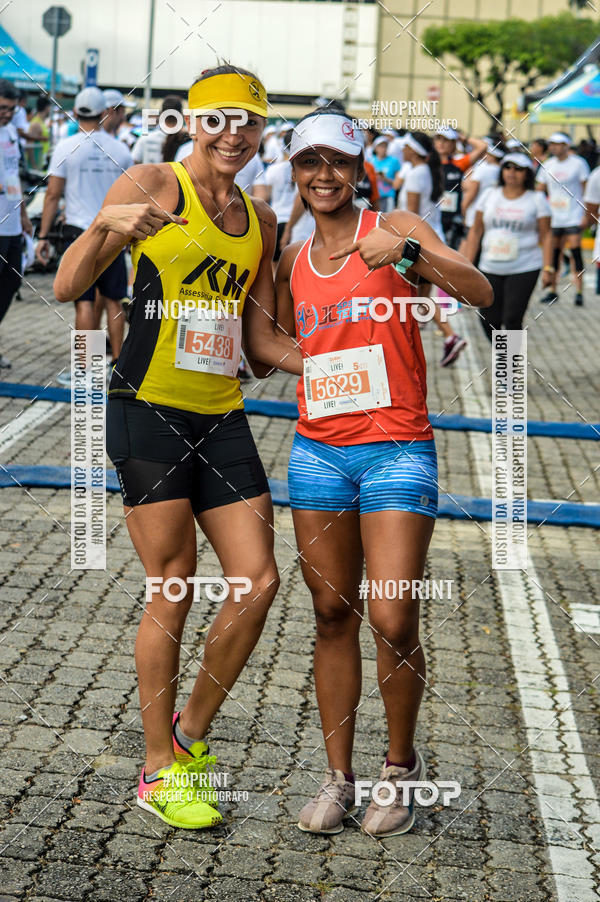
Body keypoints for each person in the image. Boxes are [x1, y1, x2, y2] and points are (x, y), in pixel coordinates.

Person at [53, 65, 303, 831]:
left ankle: (188, 735)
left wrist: (344, 364)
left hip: (221, 413)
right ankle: (158, 769)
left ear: (262, 130)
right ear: (193, 122)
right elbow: (66, 285)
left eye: (248, 121)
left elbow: (261, 343)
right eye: (217, 119)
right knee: (174, 585)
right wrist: (108, 228)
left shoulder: (261, 219)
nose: (233, 134)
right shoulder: (154, 182)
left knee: (258, 581)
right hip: (147, 407)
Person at [274, 108, 492, 838]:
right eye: (310, 162)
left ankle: (400, 767)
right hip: (318, 452)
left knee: (394, 614)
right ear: (295, 171)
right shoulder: (292, 258)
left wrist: (408, 252)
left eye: (337, 162)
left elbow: (479, 292)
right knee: (331, 613)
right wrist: (317, 366)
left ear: (358, 167)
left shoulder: (396, 226)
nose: (324, 176)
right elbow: (271, 337)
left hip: (398, 448)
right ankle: (339, 777)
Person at [36, 87, 133, 365]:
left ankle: (86, 366)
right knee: (114, 300)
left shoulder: (66, 147)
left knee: (84, 301)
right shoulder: (120, 149)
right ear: (104, 113)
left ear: (76, 112)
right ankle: (119, 365)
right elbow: (131, 194)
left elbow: (53, 194)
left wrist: (43, 236)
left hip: (79, 232)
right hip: (113, 232)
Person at [463, 153, 553, 339]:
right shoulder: (489, 195)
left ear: (527, 173)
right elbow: (476, 231)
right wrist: (468, 265)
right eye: (508, 167)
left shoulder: (536, 199)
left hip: (525, 266)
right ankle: (503, 353)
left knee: (512, 319)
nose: (512, 172)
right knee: (489, 318)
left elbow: (546, 235)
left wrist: (548, 268)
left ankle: (510, 358)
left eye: (518, 169)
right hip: (490, 265)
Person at [399, 131, 466, 366]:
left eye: (406, 146)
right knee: (420, 299)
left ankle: (449, 336)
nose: (402, 150)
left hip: (418, 242)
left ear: (414, 150)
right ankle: (445, 339)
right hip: (431, 239)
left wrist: (403, 250)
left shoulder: (416, 174)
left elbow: (410, 217)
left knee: (410, 297)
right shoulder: (427, 170)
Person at [0, 79, 33, 368]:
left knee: (10, 284)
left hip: (11, 225)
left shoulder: (10, 132)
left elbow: (15, 177)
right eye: (2, 108)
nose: (7, 114)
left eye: (11, 109)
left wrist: (23, 215)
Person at [536, 132, 589, 306]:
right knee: (554, 254)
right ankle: (552, 290)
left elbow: (586, 189)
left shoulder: (578, 163)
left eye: (558, 144)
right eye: (552, 144)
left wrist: (586, 214)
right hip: (554, 217)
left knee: (575, 252)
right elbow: (540, 189)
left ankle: (579, 292)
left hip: (573, 215)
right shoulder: (547, 165)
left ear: (566, 145)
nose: (554, 147)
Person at [433, 128, 486, 250]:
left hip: (452, 221)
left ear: (453, 143)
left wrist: (462, 138)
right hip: (432, 218)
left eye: (446, 140)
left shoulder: (459, 164)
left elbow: (482, 147)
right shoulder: (428, 163)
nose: (441, 143)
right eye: (438, 139)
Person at [132, 95, 183, 164]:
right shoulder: (188, 141)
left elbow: (134, 162)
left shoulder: (145, 138)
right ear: (181, 115)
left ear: (162, 114)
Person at [371, 136, 400, 212]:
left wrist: (385, 179)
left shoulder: (394, 161)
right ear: (375, 148)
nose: (383, 149)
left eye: (385, 146)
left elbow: (397, 184)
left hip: (388, 196)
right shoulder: (370, 160)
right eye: (380, 146)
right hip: (374, 198)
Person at [26, 95, 51, 170]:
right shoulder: (35, 123)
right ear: (47, 107)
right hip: (36, 166)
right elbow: (29, 146)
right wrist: (34, 167)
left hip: (42, 163)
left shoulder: (42, 122)